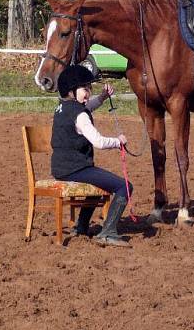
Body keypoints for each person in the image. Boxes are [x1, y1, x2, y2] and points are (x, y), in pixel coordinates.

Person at [52, 65, 133, 247]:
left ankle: (81, 226)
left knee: (99, 186)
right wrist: (118, 141)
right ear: (72, 91)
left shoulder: (63, 107)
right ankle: (108, 232)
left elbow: (89, 106)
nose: (88, 92)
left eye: (89, 88)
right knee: (125, 187)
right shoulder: (80, 115)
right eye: (85, 89)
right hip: (76, 169)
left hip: (61, 168)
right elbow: (98, 142)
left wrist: (103, 97)